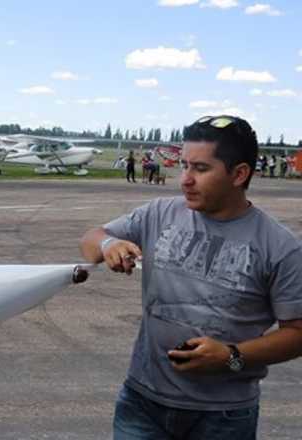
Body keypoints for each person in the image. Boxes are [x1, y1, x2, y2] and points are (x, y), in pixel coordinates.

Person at [79, 115, 302, 440]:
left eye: (200, 169)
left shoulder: (279, 246)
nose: (184, 179)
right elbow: (90, 241)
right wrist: (109, 243)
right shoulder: (159, 213)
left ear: (239, 174)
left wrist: (231, 356)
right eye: (184, 165)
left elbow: (297, 333)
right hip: (142, 403)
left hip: (224, 417)